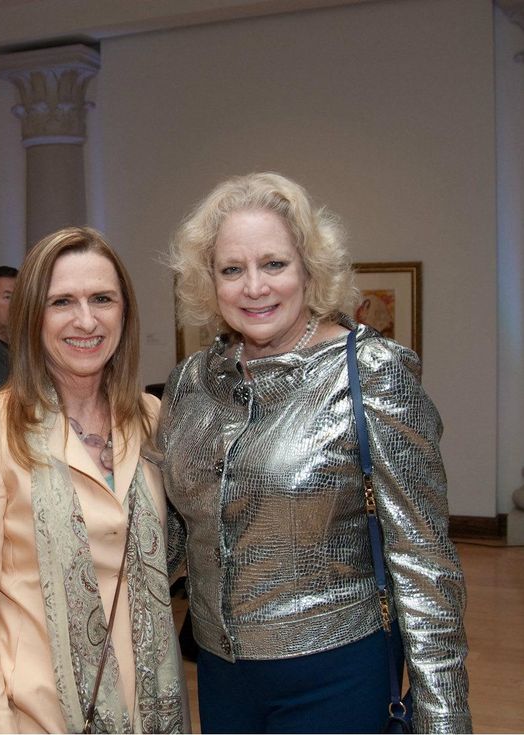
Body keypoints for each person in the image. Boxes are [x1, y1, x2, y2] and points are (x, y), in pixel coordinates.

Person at [159, 172, 471, 733]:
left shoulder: (372, 374)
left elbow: (424, 563)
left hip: (336, 672)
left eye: (274, 264)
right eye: (232, 269)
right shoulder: (192, 383)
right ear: (210, 282)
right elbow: (181, 531)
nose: (254, 287)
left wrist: (445, 719)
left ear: (309, 268)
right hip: (219, 672)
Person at [0, 226, 188, 734]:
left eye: (102, 299)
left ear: (125, 312)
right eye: (62, 302)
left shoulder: (152, 419)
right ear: (32, 316)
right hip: (37, 717)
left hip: (154, 714)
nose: (86, 320)